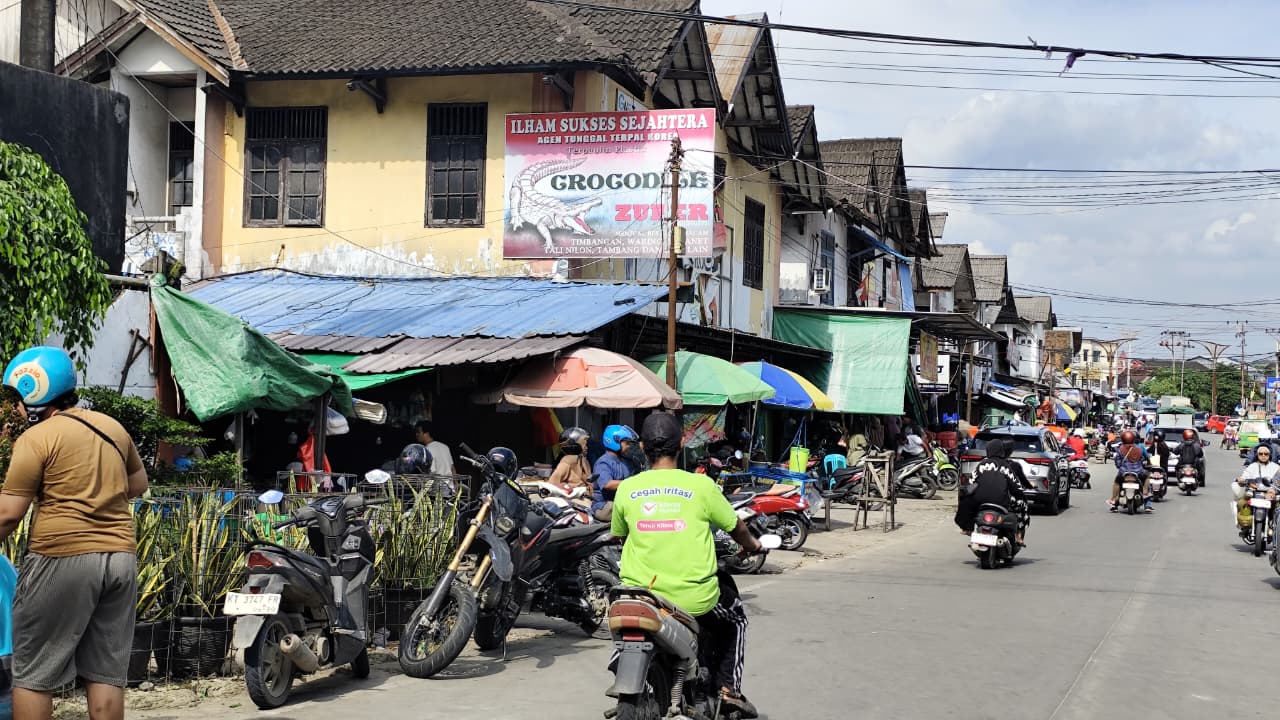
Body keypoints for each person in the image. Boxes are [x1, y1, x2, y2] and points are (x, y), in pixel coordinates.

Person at [0, 346, 149, 720]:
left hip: (61, 558)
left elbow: (7, 514)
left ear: (35, 393)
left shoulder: (36, 439)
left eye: (18, 399)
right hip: (120, 561)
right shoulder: (112, 427)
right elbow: (138, 483)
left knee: (33, 674)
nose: (17, 409)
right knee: (104, 674)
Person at [611, 412, 763, 718]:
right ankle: (728, 689)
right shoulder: (701, 486)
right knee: (734, 617)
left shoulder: (627, 489)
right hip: (692, 600)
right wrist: (752, 546)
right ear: (681, 443)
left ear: (641, 445)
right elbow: (737, 527)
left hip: (638, 595)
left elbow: (619, 535)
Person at [955, 439, 1029, 544]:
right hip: (1001, 501)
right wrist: (1020, 495)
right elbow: (1017, 488)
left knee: (965, 502)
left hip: (979, 501)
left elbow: (970, 483)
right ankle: (1019, 535)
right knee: (1023, 504)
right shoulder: (1006, 466)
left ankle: (967, 528)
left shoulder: (982, 465)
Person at [591, 424, 637, 522]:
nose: (628, 446)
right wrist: (633, 482)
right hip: (604, 505)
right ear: (615, 442)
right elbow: (608, 484)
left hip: (620, 501)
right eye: (626, 442)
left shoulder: (626, 461)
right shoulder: (603, 462)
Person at [1234, 444, 1280, 533]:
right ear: (1257, 455)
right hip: (1254, 492)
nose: (1263, 456)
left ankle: (1275, 525)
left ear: (1269, 455)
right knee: (1241, 502)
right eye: (1261, 453)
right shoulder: (1252, 466)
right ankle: (1244, 525)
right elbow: (1245, 476)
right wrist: (1241, 480)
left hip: (1271, 494)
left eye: (1266, 454)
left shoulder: (1276, 467)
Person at [548, 426, 593, 505]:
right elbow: (552, 484)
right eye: (584, 445)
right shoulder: (567, 461)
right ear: (574, 445)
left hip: (586, 499)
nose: (587, 448)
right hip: (572, 502)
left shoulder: (583, 459)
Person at [1109, 429, 1151, 512]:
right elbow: (1143, 459)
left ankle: (1114, 501)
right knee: (1147, 476)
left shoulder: (1121, 448)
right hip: (1138, 472)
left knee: (1117, 483)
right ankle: (1145, 492)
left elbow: (1117, 461)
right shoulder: (1139, 449)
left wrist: (1120, 467)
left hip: (1124, 472)